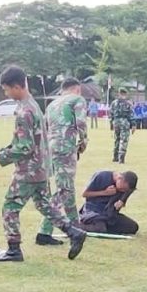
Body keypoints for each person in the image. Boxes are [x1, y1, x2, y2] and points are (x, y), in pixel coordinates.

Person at [0, 66, 87, 262]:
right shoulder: (34, 106)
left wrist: (2, 156)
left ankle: (14, 249)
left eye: (6, 89)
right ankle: (74, 232)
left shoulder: (24, 111)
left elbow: (25, 147)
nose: (6, 93)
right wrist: (3, 150)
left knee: (10, 207)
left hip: (28, 171)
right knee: (45, 205)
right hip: (41, 168)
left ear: (16, 86)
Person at [36, 78, 89, 247]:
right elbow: (80, 122)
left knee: (67, 188)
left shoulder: (52, 105)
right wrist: (83, 141)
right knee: (64, 190)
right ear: (77, 89)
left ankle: (75, 228)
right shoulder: (77, 100)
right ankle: (44, 231)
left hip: (51, 148)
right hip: (66, 147)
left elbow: (43, 127)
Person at [77, 169, 139, 235]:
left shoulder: (125, 188)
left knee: (133, 227)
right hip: (93, 211)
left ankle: (103, 226)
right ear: (120, 178)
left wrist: (122, 201)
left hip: (109, 214)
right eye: (122, 189)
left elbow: (129, 191)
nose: (123, 191)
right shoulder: (101, 176)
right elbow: (85, 194)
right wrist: (104, 193)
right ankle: (78, 226)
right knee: (100, 228)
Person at [110, 88, 133, 163]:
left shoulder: (114, 103)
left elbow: (111, 114)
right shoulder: (128, 103)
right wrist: (134, 125)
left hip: (116, 122)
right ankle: (121, 158)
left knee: (117, 139)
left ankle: (115, 157)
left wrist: (111, 124)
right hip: (124, 122)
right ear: (125, 94)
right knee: (124, 140)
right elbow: (131, 115)